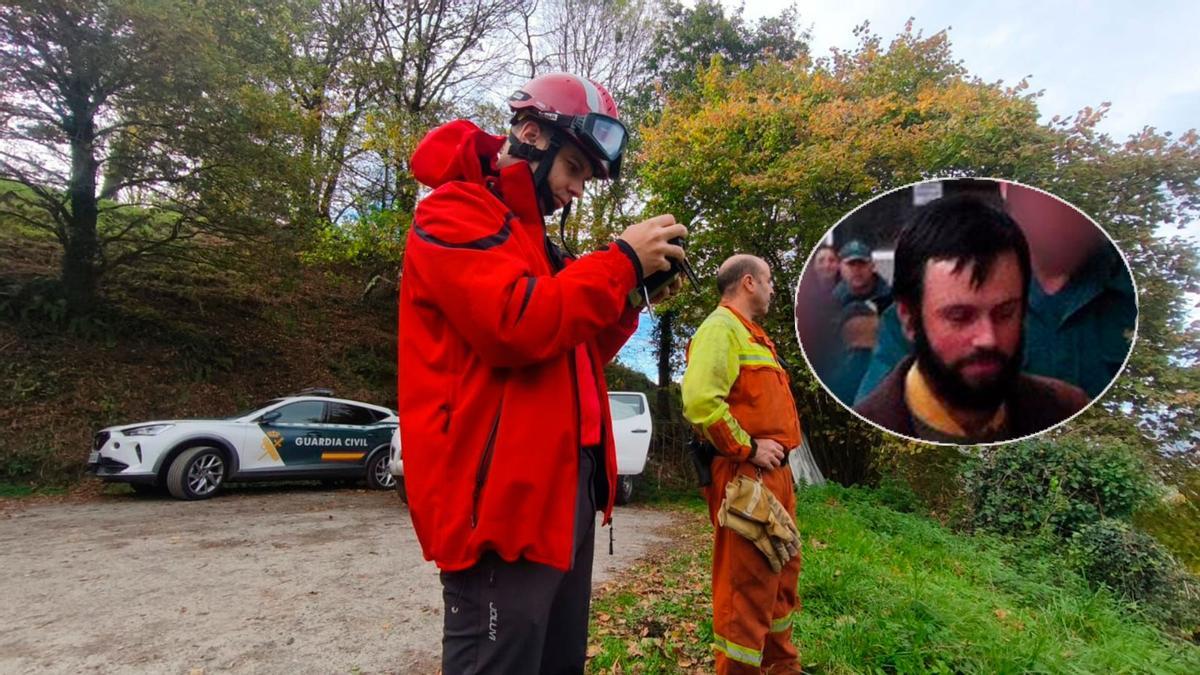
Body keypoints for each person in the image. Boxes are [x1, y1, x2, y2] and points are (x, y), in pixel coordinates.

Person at [397, 72, 687, 674]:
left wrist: (631, 292)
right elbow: (515, 325)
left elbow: (571, 351)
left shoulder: (537, 244)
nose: (577, 189)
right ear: (532, 134)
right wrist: (620, 261)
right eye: (575, 169)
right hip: (503, 505)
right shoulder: (455, 213)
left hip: (561, 496)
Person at [852, 185, 1135, 403]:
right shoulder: (923, 300)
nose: (1059, 213)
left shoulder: (1134, 289)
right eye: (960, 316)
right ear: (1006, 187)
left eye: (1005, 313)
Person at [854, 195, 1090, 443]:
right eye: (960, 317)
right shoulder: (855, 442)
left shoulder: (1069, 413)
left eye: (1005, 313)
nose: (988, 339)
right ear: (910, 319)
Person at [682, 254, 804, 674]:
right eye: (769, 281)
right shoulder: (721, 327)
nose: (773, 289)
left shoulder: (754, 336)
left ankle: (780, 667)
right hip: (746, 477)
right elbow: (700, 402)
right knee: (747, 589)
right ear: (749, 282)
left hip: (774, 478)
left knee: (780, 580)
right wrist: (747, 448)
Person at [832, 239, 892, 312]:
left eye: (862, 263)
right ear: (840, 267)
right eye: (851, 264)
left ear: (872, 266)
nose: (857, 269)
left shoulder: (891, 300)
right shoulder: (834, 301)